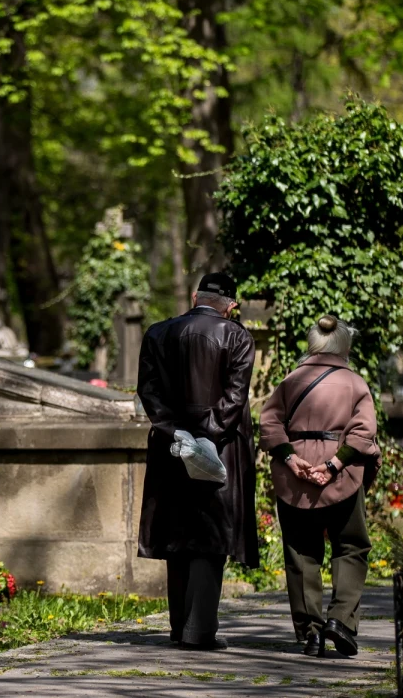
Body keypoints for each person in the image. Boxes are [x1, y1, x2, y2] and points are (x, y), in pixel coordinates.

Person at [136, 272, 259, 650]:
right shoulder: (237, 337)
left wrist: (177, 432)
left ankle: (180, 627)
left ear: (195, 296)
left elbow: (148, 392)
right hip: (219, 448)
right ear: (231, 306)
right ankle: (199, 631)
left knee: (177, 535)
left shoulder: (157, 333)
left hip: (170, 447)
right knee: (211, 536)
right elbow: (234, 398)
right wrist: (206, 437)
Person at [258, 315, 380, 658]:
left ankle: (311, 634)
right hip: (342, 476)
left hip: (295, 477)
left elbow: (269, 423)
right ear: (344, 345)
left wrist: (291, 458)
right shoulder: (355, 383)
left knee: (301, 552)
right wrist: (333, 465)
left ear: (313, 343)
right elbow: (363, 431)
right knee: (351, 546)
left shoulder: (290, 380)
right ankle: (340, 620)